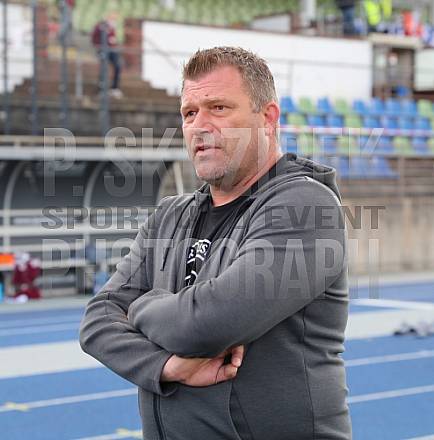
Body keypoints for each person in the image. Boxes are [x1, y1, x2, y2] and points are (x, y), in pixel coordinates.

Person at [80, 47, 351, 439]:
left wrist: (139, 306)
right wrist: (167, 367)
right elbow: (97, 321)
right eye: (190, 113)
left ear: (268, 118)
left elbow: (208, 324)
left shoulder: (306, 206)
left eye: (218, 108)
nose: (200, 126)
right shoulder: (169, 215)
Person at [91, 13, 123, 98]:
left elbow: (113, 40)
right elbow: (95, 38)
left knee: (118, 66)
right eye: (112, 19)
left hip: (111, 50)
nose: (113, 22)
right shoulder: (100, 26)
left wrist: (113, 42)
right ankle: (101, 89)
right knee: (104, 67)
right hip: (102, 50)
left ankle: (115, 88)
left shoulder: (112, 28)